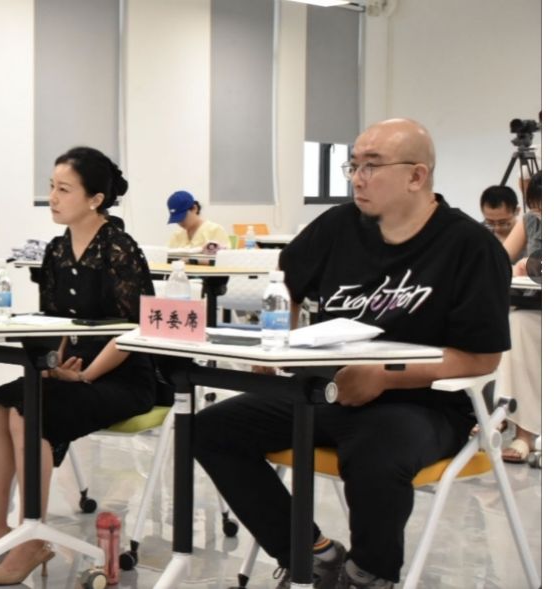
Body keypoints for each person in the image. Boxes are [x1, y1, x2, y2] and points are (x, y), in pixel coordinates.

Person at [193, 119, 511, 588]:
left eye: (371, 166)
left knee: (376, 453)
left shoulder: (469, 246)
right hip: (329, 392)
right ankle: (311, 553)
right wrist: (276, 340)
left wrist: (385, 375)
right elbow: (287, 280)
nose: (357, 178)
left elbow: (481, 359)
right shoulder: (339, 225)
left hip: (425, 405)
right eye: (353, 166)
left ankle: (369, 576)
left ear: (417, 176)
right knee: (210, 429)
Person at [0, 147, 157, 584]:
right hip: (72, 372)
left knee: (27, 412)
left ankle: (32, 539)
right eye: (51, 187)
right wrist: (53, 366)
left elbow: (135, 330)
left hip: (123, 377)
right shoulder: (57, 250)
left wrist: (85, 375)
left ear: (95, 199)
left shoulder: (119, 248)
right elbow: (55, 323)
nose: (52, 197)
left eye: (64, 189)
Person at [497, 170, 541, 463]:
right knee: (516, 325)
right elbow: (499, 258)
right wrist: (515, 267)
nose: (540, 214)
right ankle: (524, 433)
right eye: (536, 207)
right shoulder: (530, 221)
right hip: (536, 309)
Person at [166, 190, 231, 250]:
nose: (180, 222)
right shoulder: (177, 236)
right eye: (177, 219)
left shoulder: (215, 231)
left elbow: (224, 256)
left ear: (194, 208)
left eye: (182, 217)